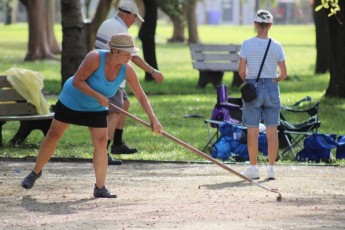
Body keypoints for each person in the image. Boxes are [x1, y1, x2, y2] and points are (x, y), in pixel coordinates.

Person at [21, 33, 164, 198]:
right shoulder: (95, 57)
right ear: (115, 51)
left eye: (131, 52)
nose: (130, 57)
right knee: (54, 134)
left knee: (101, 142)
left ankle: (100, 187)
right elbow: (77, 81)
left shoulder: (127, 69)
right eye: (127, 53)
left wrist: (153, 119)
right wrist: (97, 95)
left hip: (95, 107)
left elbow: (141, 95)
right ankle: (35, 172)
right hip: (72, 100)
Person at [95, 1, 164, 165]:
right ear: (127, 15)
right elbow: (133, 57)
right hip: (112, 77)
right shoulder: (120, 30)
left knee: (124, 104)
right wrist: (152, 71)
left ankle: (117, 143)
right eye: (134, 18)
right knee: (115, 112)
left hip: (108, 74)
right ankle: (104, 151)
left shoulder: (107, 23)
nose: (135, 21)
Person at [238, 9, 287, 180]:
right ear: (270, 25)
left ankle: (253, 168)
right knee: (272, 129)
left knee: (252, 130)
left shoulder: (246, 44)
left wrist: (249, 82)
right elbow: (284, 73)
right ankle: (271, 169)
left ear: (255, 24)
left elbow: (241, 71)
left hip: (253, 87)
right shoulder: (277, 45)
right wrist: (274, 80)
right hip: (272, 88)